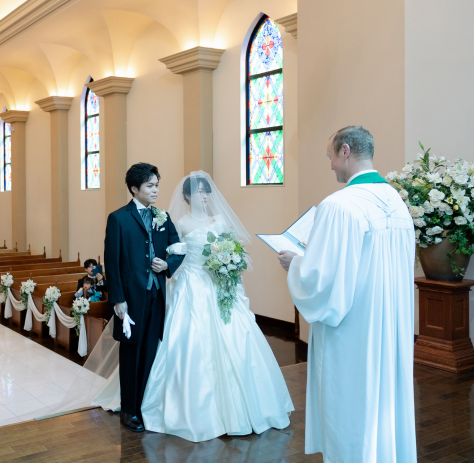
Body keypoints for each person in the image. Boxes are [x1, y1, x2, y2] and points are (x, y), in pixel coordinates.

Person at [277, 126, 416, 462]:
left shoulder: (340, 205)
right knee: (384, 404)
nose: (330, 166)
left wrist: (295, 263)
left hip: (352, 330)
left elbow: (322, 279)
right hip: (389, 327)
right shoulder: (396, 202)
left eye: (330, 156)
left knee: (351, 402)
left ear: (345, 151)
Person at [137, 171, 293, 441]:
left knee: (237, 338)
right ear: (187, 196)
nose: (204, 195)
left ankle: (249, 407)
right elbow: (173, 253)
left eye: (206, 191)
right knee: (191, 342)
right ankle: (198, 410)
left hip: (219, 285)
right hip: (192, 285)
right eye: (198, 191)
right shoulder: (181, 223)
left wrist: (229, 265)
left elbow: (233, 250)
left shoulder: (219, 221)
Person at [103, 163, 184, 432]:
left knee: (150, 350)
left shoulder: (163, 216)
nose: (156, 190)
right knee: (131, 353)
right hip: (131, 297)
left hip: (157, 295)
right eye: (150, 185)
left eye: (157, 185)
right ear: (134, 188)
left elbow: (179, 248)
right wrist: (118, 299)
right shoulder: (119, 218)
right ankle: (129, 411)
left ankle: (143, 405)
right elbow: (112, 263)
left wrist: (168, 264)